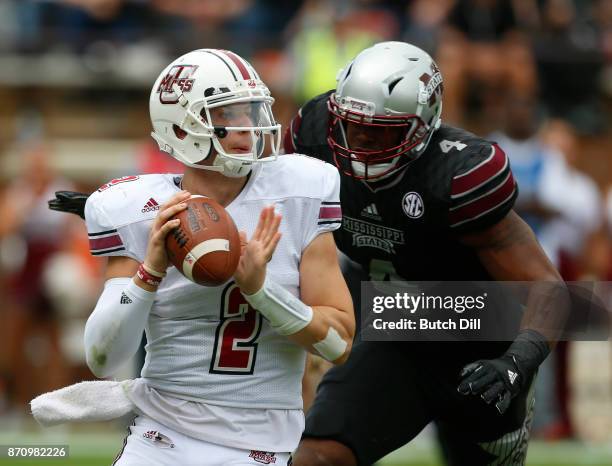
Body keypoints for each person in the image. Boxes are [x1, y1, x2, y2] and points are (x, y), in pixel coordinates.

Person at [34, 48, 354, 466]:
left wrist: (261, 292)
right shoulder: (138, 210)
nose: (249, 127)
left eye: (251, 110)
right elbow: (103, 358)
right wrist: (148, 273)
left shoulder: (300, 191)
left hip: (259, 445)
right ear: (182, 128)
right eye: (228, 115)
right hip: (161, 437)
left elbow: (339, 344)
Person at [283, 41, 565, 466]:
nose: (359, 140)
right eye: (352, 125)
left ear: (422, 125)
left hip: (480, 343)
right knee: (318, 457)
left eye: (380, 130)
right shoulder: (314, 136)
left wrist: (515, 362)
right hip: (394, 330)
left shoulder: (457, 175)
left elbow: (550, 289)